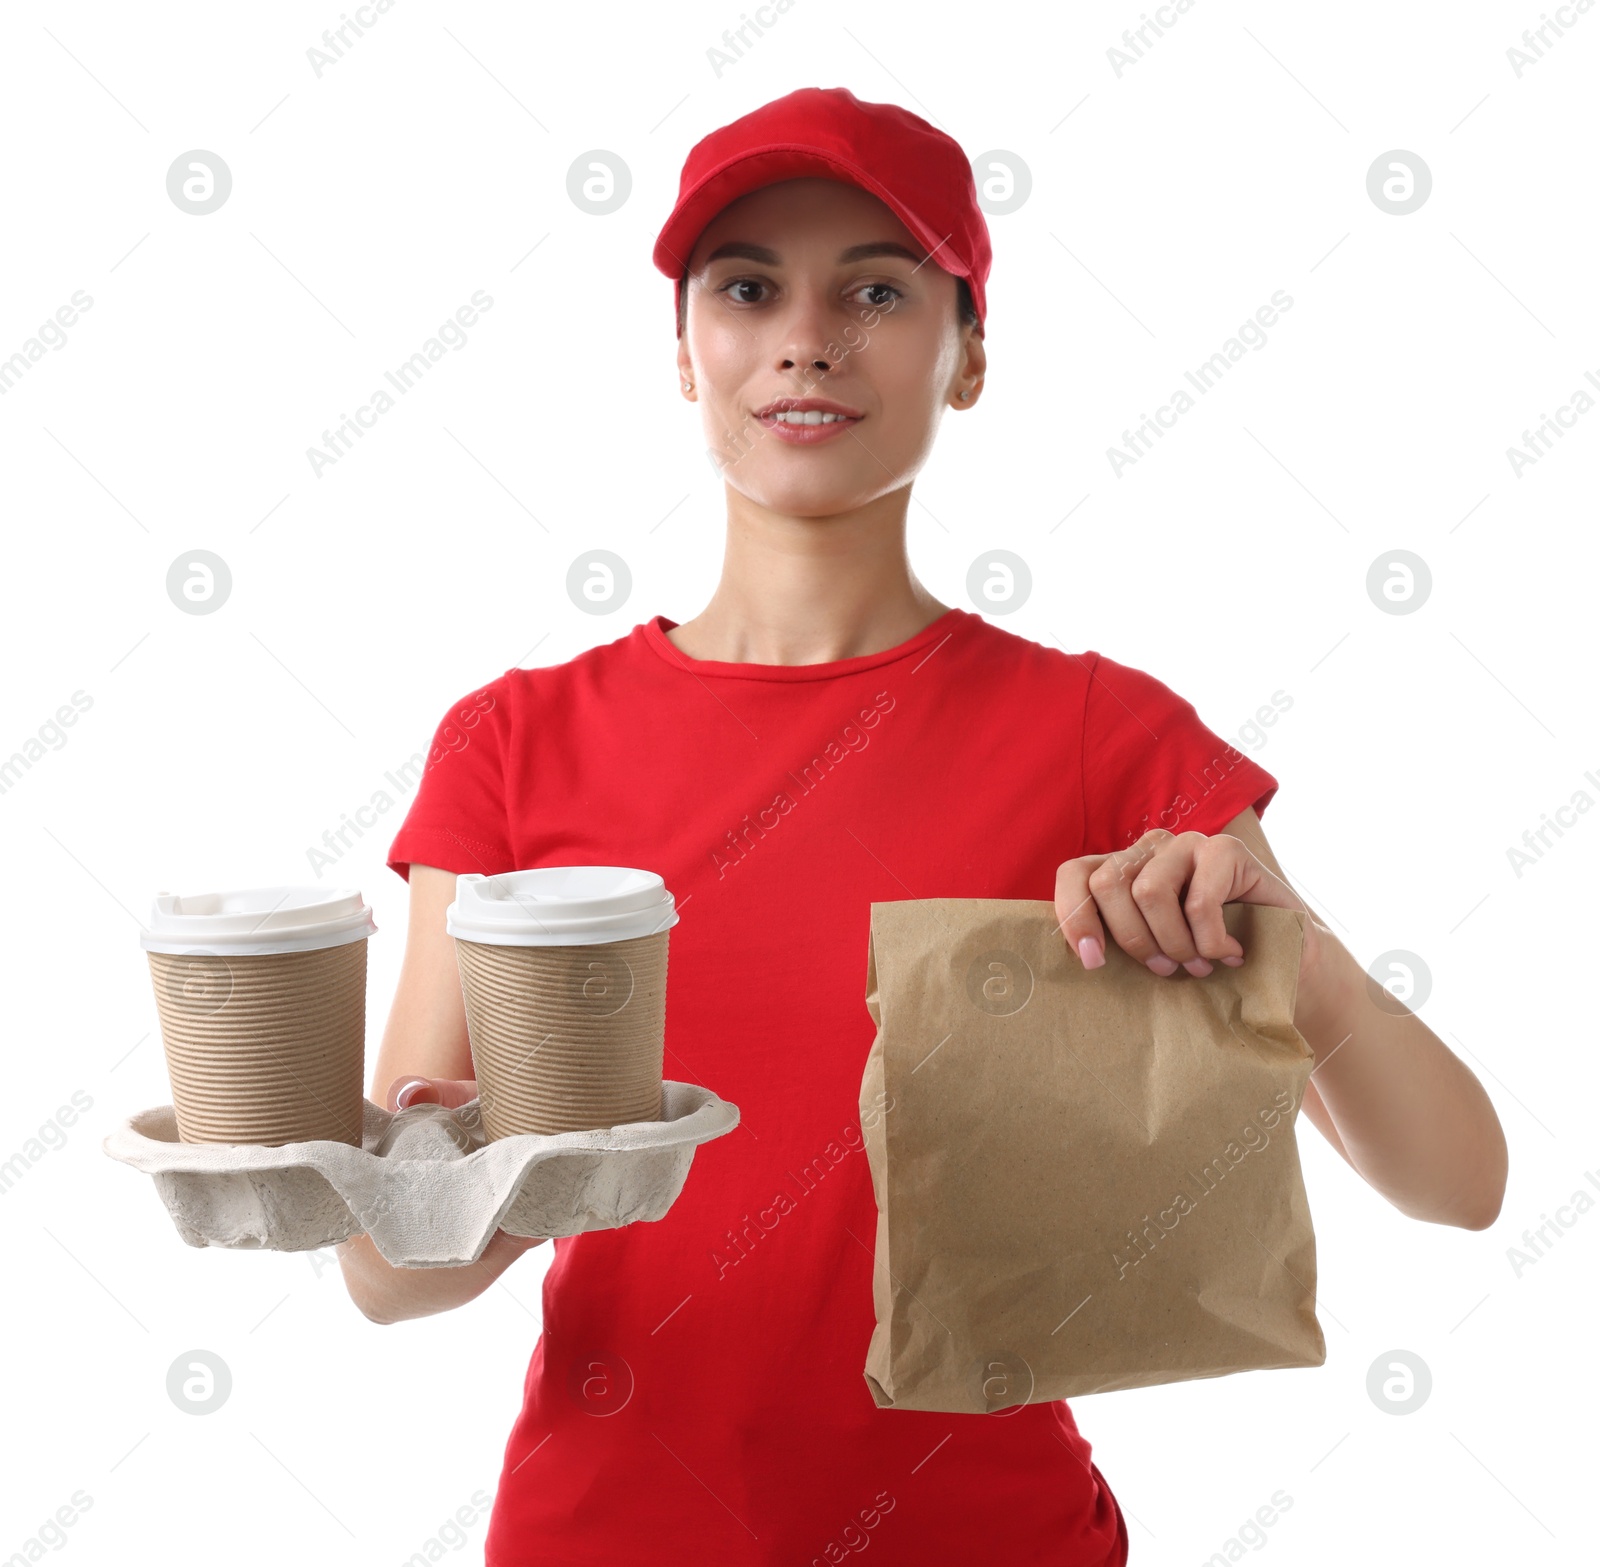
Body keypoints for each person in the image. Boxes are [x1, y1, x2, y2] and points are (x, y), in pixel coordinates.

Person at [336, 86, 1507, 1565]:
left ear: (968, 360)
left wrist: (1291, 953)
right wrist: (526, 1169)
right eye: (746, 287)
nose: (804, 337)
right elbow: (387, 1269)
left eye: (876, 291)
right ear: (683, 351)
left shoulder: (1104, 736)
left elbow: (1462, 1184)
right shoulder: (512, 744)